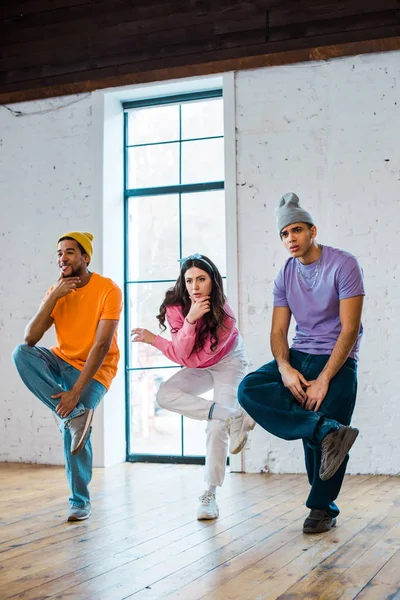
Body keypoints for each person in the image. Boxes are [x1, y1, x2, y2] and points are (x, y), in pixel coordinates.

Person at [238, 193, 364, 534]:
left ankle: (321, 507)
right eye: (284, 234)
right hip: (298, 355)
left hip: (337, 359)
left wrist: (324, 378)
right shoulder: (285, 275)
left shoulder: (344, 264)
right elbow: (279, 331)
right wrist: (284, 367)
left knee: (325, 438)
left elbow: (350, 329)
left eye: (296, 230)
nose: (290, 239)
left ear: (312, 231)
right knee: (249, 388)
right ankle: (325, 430)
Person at [131, 253, 255, 520]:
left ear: (213, 281)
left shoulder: (225, 317)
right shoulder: (176, 306)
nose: (195, 287)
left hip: (229, 361)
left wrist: (159, 339)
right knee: (165, 395)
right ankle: (234, 415)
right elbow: (184, 355)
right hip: (200, 362)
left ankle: (209, 495)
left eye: (201, 279)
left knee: (215, 428)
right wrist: (189, 320)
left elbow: (187, 357)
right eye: (189, 281)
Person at [12, 232, 122, 522]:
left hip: (96, 370)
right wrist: (53, 297)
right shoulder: (57, 290)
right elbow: (30, 338)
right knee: (20, 354)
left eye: (70, 252)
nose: (63, 258)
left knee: (73, 424)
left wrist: (75, 394)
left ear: (85, 257)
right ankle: (74, 415)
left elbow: (100, 346)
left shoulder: (108, 290)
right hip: (61, 360)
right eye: (60, 253)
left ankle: (79, 501)